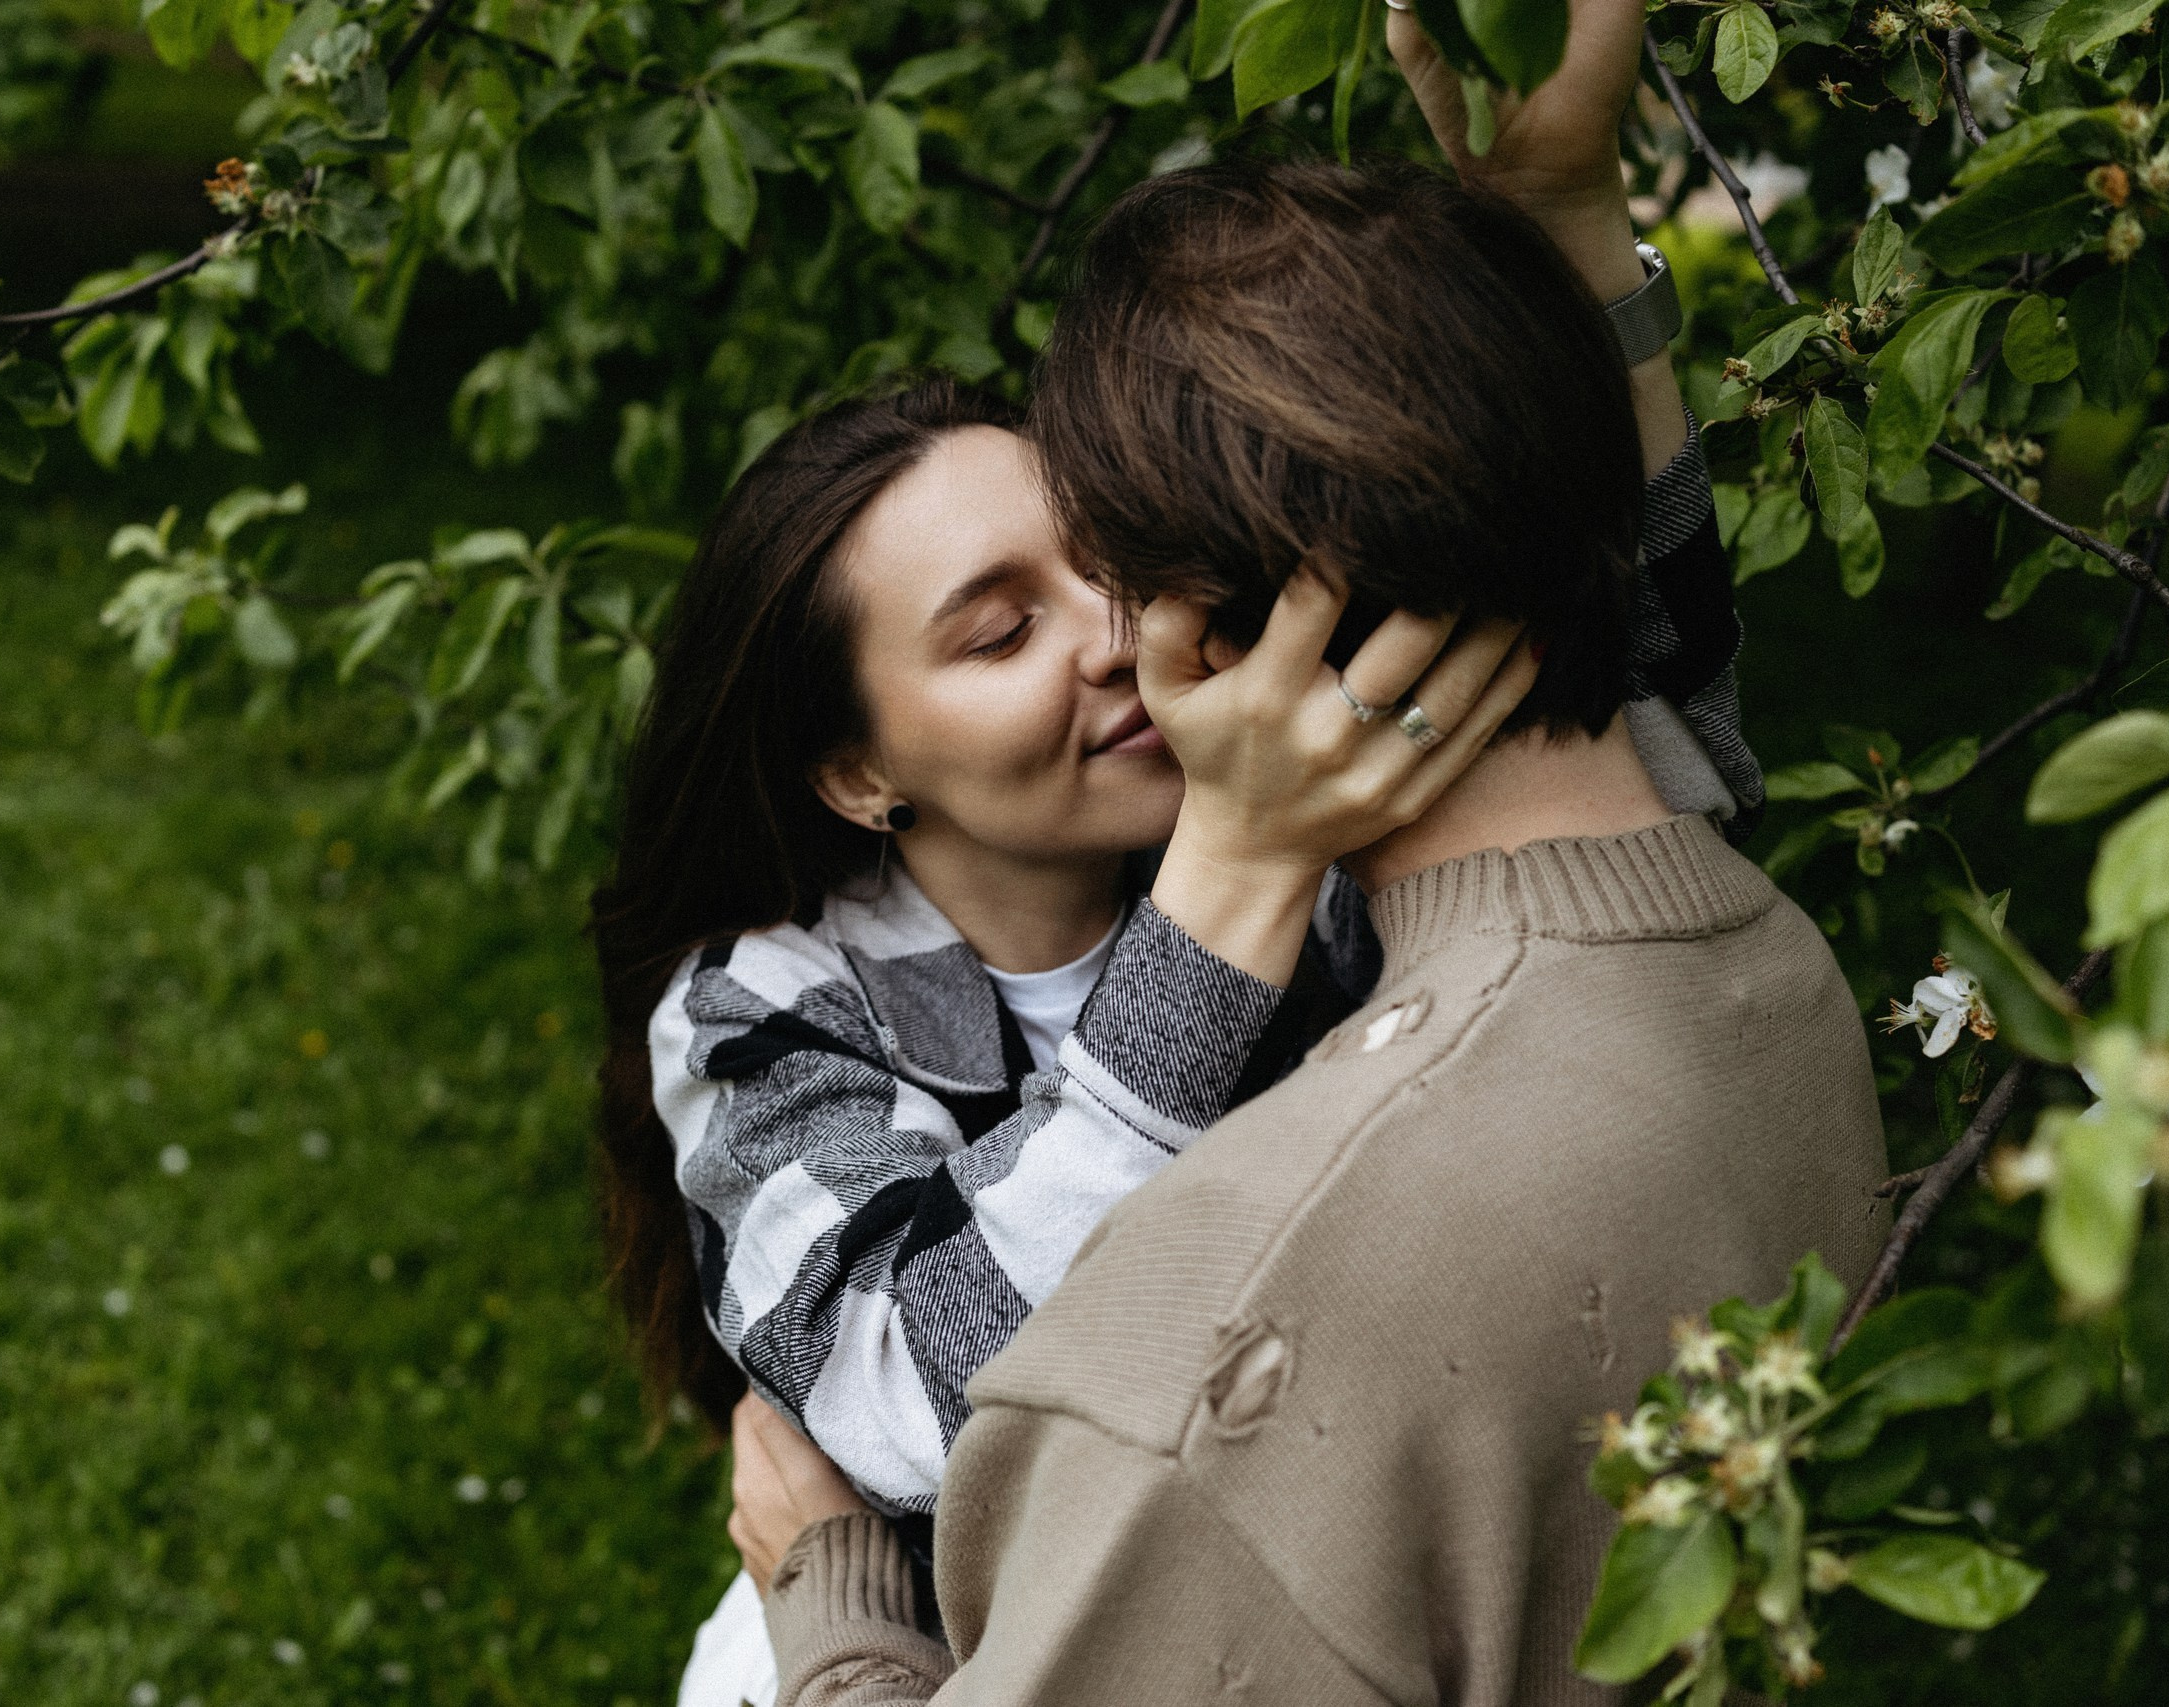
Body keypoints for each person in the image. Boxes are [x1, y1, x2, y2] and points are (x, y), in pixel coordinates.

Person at [716, 5, 1889, 1705]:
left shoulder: (1217, 1360)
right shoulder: (1762, 969)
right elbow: (1638, 661)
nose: (1102, 655)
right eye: (996, 632)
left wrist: (835, 1626)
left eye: (1105, 583)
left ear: (1203, 634)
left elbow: (1645, 632)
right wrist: (1563, 224)